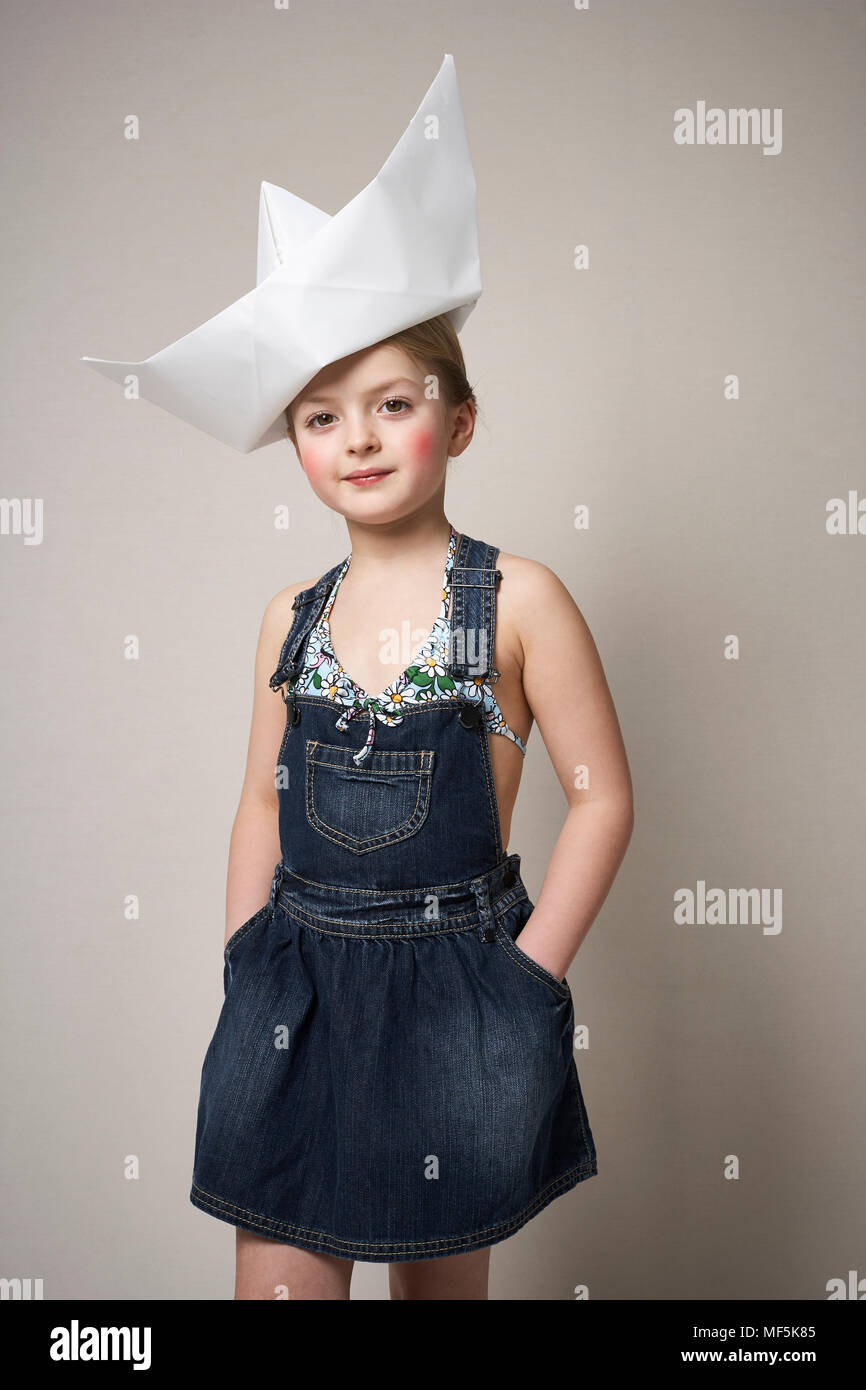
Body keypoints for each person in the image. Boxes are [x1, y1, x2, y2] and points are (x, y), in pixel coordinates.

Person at [188, 312, 635, 1299]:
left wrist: (526, 979)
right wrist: (243, 958)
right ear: (294, 443)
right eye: (320, 417)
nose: (358, 437)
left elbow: (600, 800)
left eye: (393, 405)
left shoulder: (515, 600)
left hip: (453, 997)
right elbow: (260, 802)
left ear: (460, 421)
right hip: (292, 993)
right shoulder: (290, 613)